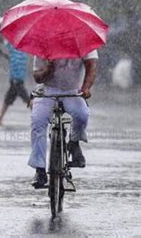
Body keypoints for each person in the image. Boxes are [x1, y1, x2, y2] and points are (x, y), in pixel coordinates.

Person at [29, 50, 98, 188]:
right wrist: (47, 70)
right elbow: (37, 77)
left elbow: (91, 66)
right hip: (47, 91)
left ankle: (74, 142)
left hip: (72, 91)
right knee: (37, 122)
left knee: (82, 115)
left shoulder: (83, 41)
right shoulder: (44, 44)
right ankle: (39, 169)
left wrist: (86, 87)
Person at [0, 40, 29, 125]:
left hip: (16, 80)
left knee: (27, 99)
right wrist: (2, 54)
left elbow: (10, 51)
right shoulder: (21, 52)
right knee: (7, 100)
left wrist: (1, 44)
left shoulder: (15, 49)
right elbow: (12, 59)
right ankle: (0, 118)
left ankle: (39, 117)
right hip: (16, 80)